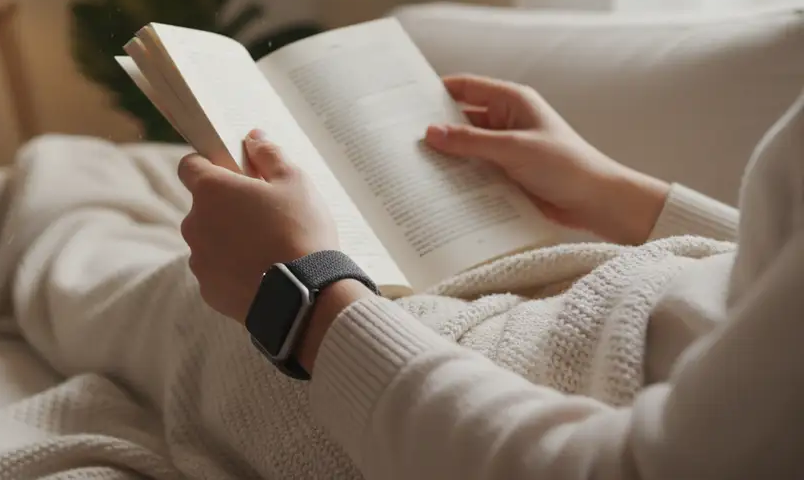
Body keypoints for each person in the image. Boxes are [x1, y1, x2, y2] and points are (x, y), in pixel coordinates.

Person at [175, 73, 803, 479]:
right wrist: (614, 194)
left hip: (454, 384)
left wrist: (305, 301)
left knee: (154, 286)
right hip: (596, 296)